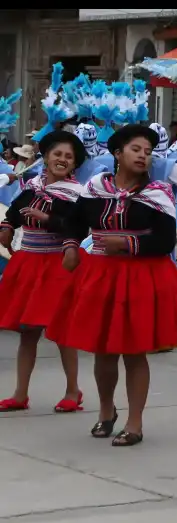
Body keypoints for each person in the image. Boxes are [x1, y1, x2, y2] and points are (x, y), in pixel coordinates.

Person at [46, 124, 177, 446]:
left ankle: (135, 422)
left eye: (148, 152)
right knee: (103, 350)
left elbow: (166, 240)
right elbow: (73, 221)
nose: (143, 156)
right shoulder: (96, 187)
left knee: (134, 351)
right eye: (136, 149)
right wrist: (71, 246)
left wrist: (126, 243)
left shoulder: (158, 193)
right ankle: (106, 411)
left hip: (141, 277)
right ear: (117, 153)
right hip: (100, 275)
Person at [0, 131, 86, 413]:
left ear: (74, 165)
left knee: (61, 331)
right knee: (27, 331)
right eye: (57, 154)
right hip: (30, 262)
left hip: (59, 264)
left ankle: (73, 390)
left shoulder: (76, 194)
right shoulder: (32, 187)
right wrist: (7, 228)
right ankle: (20, 393)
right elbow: (14, 212)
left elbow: (76, 227)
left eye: (68, 157)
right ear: (46, 157)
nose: (62, 160)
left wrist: (46, 218)